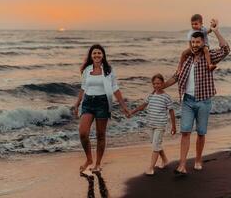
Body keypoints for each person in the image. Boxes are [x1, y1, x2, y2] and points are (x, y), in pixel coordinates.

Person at [164, 19, 230, 175]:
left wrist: (215, 31)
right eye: (192, 42)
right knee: (185, 132)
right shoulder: (186, 59)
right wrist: (161, 87)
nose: (194, 45)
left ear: (202, 42)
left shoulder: (210, 56)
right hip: (187, 101)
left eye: (197, 42)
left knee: (201, 132)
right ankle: (182, 165)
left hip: (203, 101)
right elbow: (176, 77)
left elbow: (226, 49)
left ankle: (198, 159)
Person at [73, 44, 130, 172]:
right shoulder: (87, 69)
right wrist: (77, 104)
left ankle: (98, 163)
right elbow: (83, 87)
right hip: (88, 102)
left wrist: (123, 106)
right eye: (94, 53)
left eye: (99, 53)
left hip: (103, 103)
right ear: (91, 56)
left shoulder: (108, 70)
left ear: (103, 55)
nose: (97, 55)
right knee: (83, 133)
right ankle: (89, 159)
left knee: (100, 135)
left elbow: (115, 88)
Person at [129, 74, 176, 175]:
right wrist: (132, 112)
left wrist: (174, 126)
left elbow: (171, 112)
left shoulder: (166, 97)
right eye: (154, 84)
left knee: (155, 145)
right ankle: (165, 160)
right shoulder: (151, 95)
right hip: (150, 124)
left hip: (160, 125)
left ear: (163, 83)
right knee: (156, 144)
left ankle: (151, 168)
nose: (156, 85)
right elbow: (143, 106)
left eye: (158, 83)